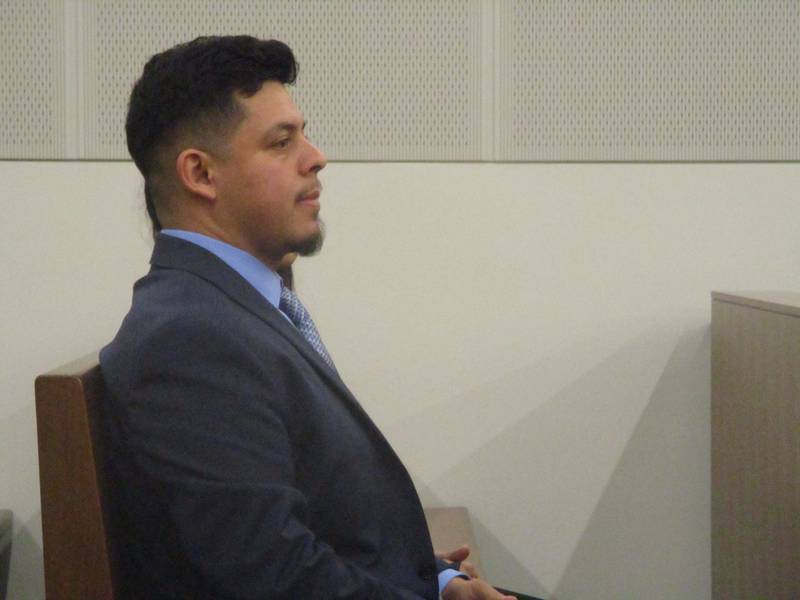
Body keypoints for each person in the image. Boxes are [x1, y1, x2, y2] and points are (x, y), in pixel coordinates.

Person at [100, 35, 516, 600]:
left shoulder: (233, 309)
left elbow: (324, 519)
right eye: (281, 141)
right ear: (200, 174)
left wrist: (441, 581)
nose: (315, 156)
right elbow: (274, 575)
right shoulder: (190, 337)